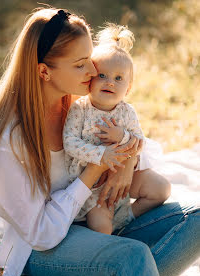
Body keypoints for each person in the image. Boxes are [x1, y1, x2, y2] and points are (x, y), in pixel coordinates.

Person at [0, 7, 199, 276]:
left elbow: (136, 139)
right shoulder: (9, 135)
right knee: (133, 256)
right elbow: (41, 233)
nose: (93, 70)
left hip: (98, 218)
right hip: (48, 246)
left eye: (91, 59)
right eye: (81, 64)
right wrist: (95, 169)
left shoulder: (78, 100)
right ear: (44, 71)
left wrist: (125, 163)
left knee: (196, 218)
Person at [63, 23, 171, 235]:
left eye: (118, 78)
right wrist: (102, 154)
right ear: (90, 80)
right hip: (93, 189)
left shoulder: (126, 112)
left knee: (161, 188)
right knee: (101, 226)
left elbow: (139, 141)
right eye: (102, 76)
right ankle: (111, 230)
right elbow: (70, 142)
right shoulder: (80, 108)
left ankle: (126, 217)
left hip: (125, 175)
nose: (110, 82)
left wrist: (122, 137)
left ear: (128, 88)